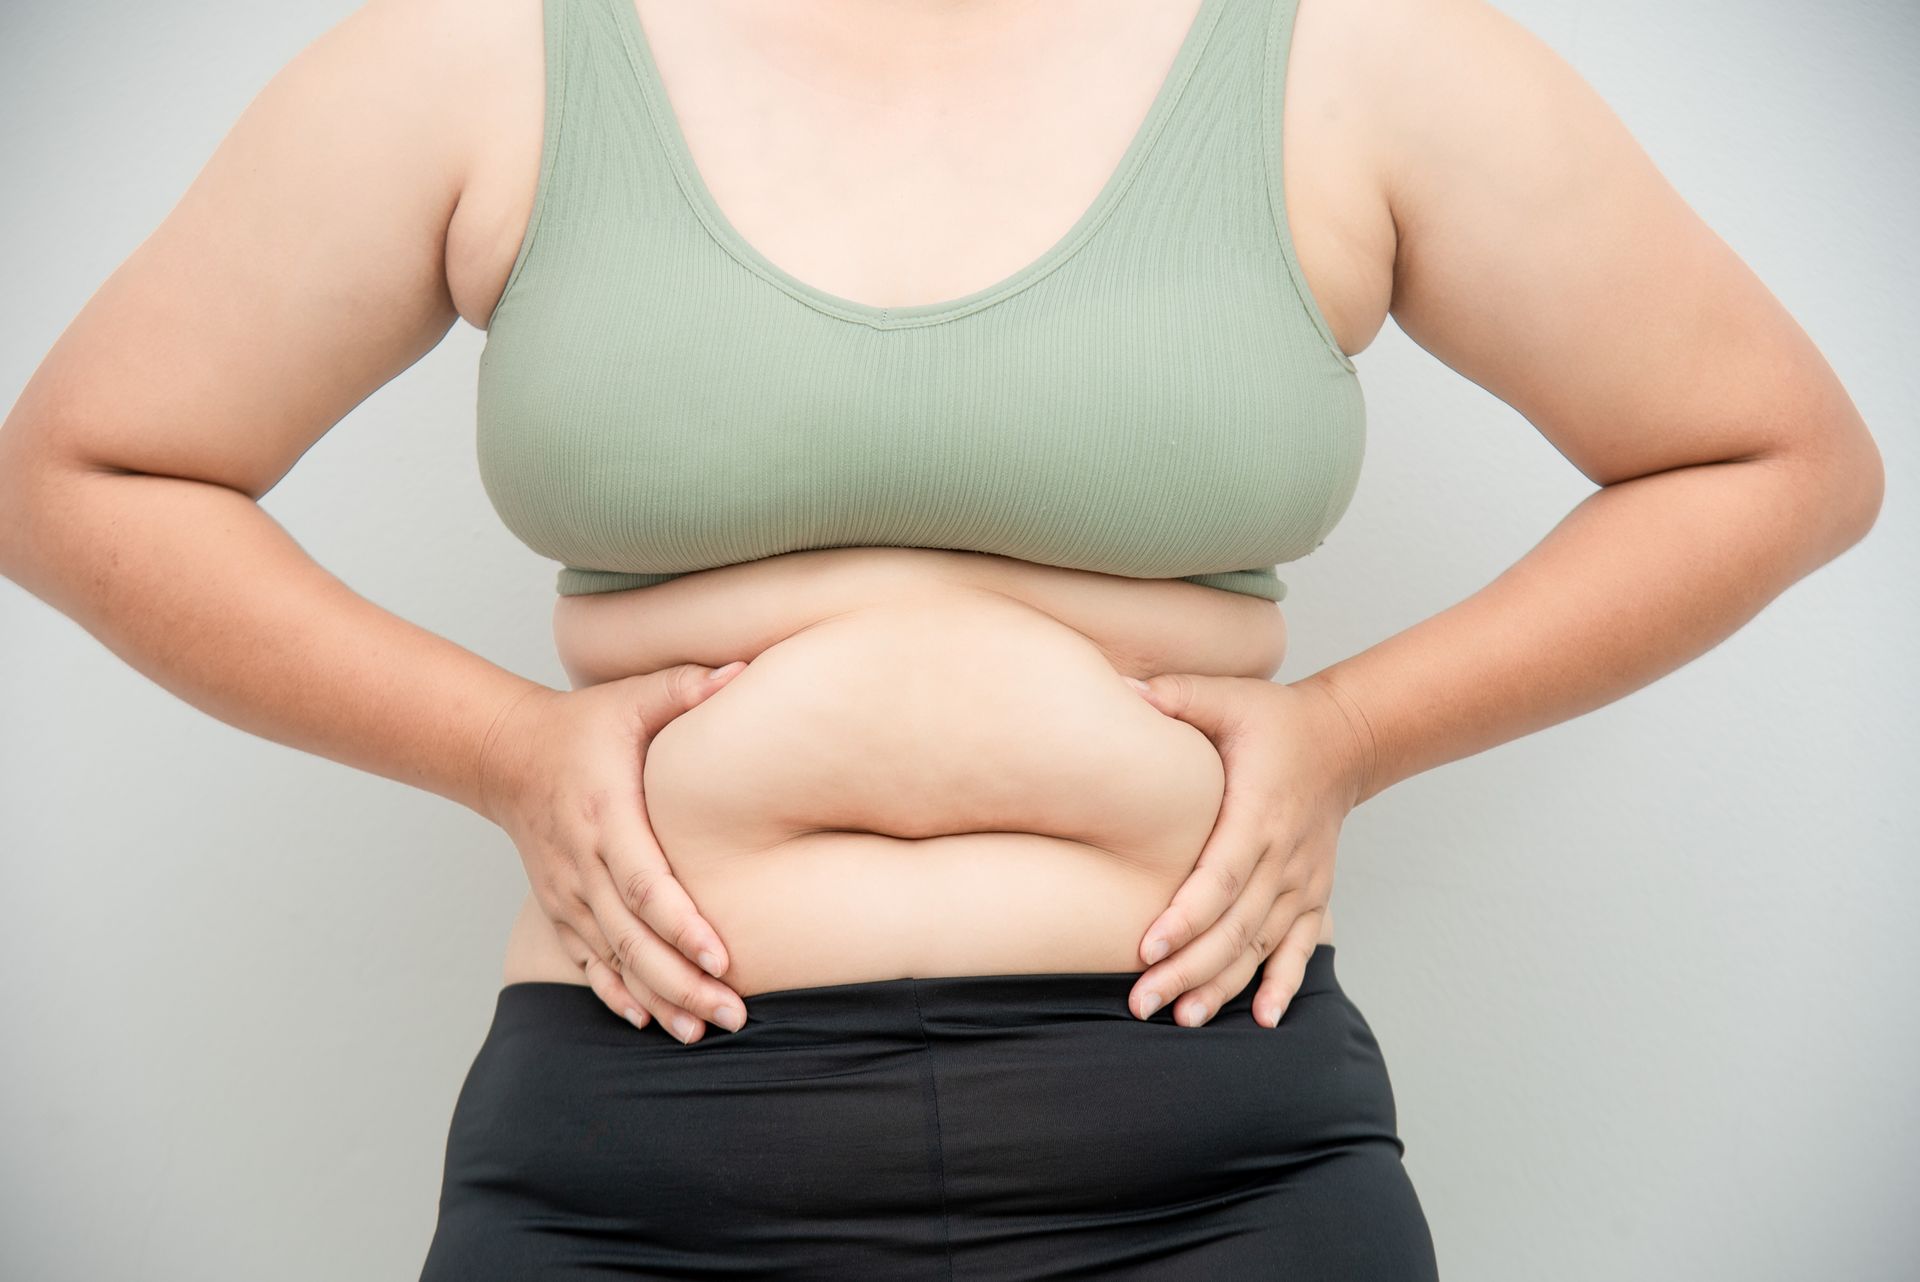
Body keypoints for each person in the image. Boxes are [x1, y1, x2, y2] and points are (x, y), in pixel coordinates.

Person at [0, 0, 1882, 1277]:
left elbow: (1777, 457)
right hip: (638, 1150)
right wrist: (498, 744)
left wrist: (1352, 731)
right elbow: (81, 472)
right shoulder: (483, 54)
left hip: (1216, 1151)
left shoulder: (1357, 56)